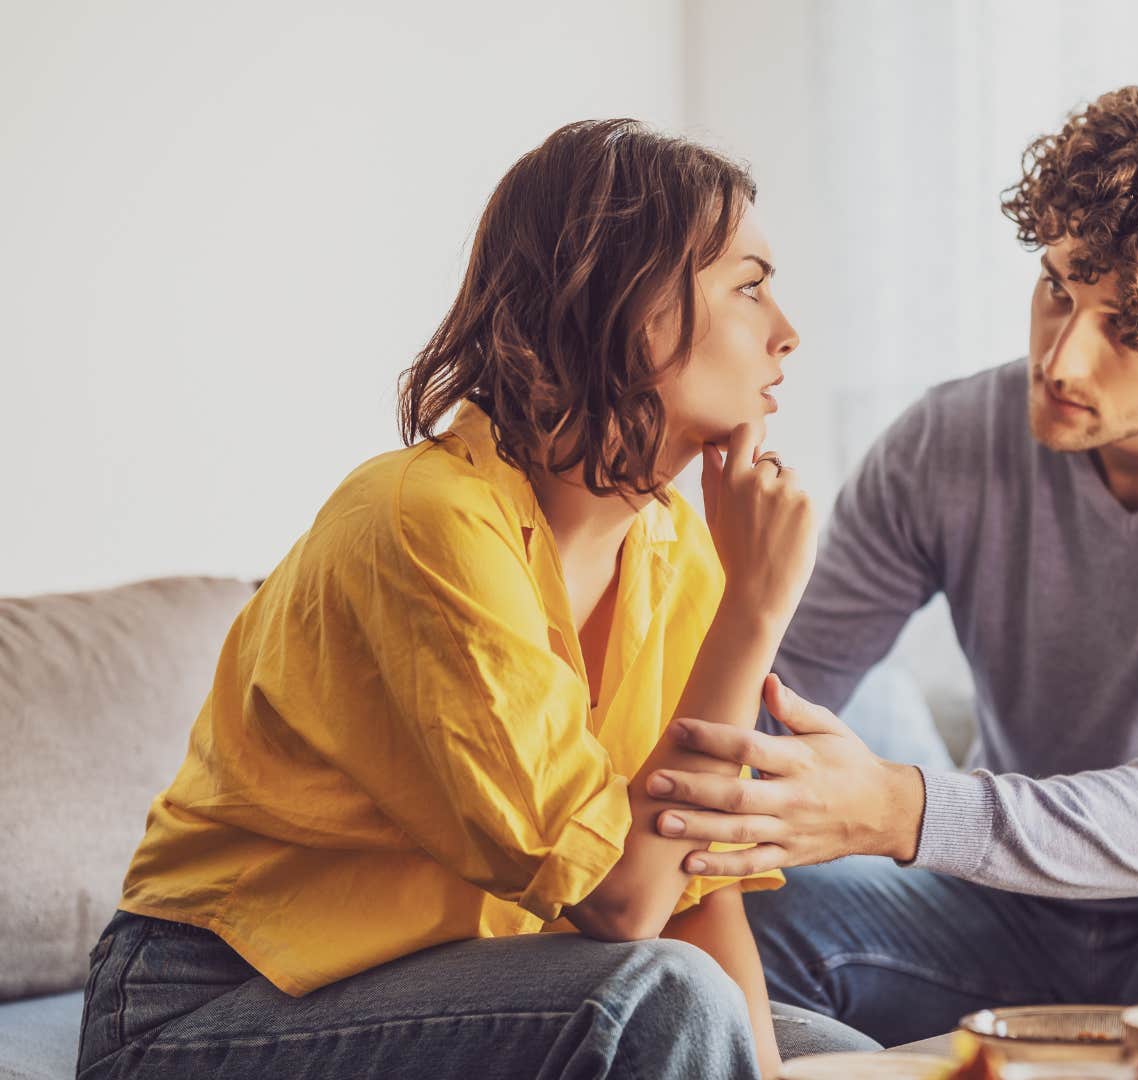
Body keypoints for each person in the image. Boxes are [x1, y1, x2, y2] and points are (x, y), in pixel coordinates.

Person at [76, 118, 875, 1080]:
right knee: (664, 1002)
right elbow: (623, 910)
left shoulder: (675, 547)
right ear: (623, 303)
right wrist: (757, 607)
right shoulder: (422, 520)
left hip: (465, 983)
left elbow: (694, 894)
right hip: (207, 1005)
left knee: (837, 1057)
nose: (786, 330)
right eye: (749, 286)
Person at [637, 76, 1138, 1060]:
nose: (1062, 357)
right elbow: (774, 698)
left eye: (1126, 329)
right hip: (1009, 914)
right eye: (1058, 287)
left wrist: (899, 808)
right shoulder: (946, 442)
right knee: (732, 918)